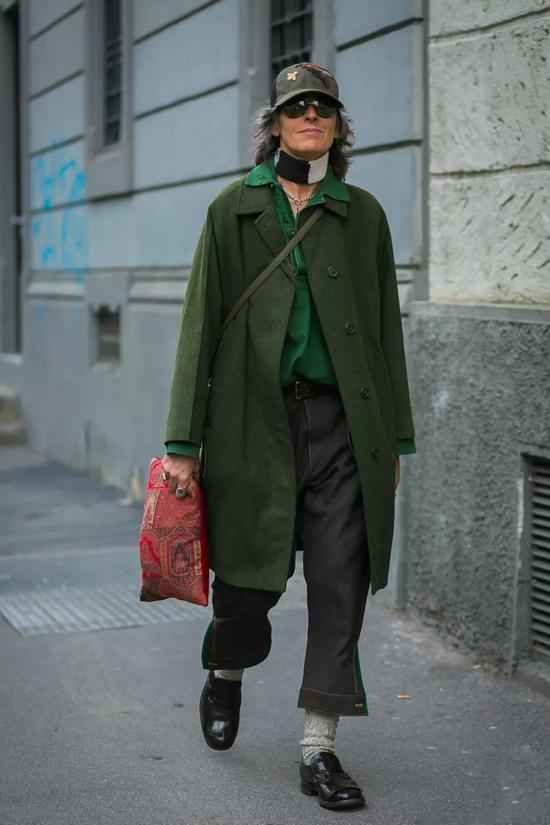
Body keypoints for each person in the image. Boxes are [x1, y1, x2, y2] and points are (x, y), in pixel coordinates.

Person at [161, 62, 416, 811]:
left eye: (323, 108)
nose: (311, 116)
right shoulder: (233, 209)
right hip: (253, 426)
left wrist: (394, 441)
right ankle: (226, 671)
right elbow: (198, 327)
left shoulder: (362, 214)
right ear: (274, 124)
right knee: (249, 584)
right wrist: (183, 444)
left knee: (340, 583)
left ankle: (318, 748)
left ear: (338, 128)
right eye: (297, 107)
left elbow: (385, 333)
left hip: (344, 428)